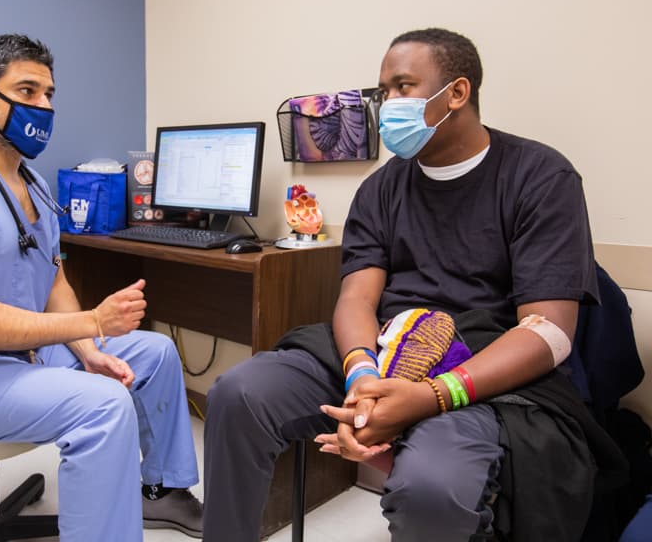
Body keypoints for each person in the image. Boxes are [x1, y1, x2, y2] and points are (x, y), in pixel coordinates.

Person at [203, 28, 616, 541]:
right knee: (239, 394)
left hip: (476, 362)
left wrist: (429, 397)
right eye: (384, 92)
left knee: (432, 490)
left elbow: (548, 332)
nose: (388, 105)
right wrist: (360, 374)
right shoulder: (382, 187)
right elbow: (356, 296)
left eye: (403, 87)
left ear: (456, 94)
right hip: (381, 346)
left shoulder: (540, 176)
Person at [0, 34, 202, 541]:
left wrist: (88, 349)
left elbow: (53, 279)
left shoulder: (35, 185)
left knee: (156, 353)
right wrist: (93, 324)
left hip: (25, 357)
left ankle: (161, 491)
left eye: (49, 93)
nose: (44, 106)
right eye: (28, 91)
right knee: (102, 407)